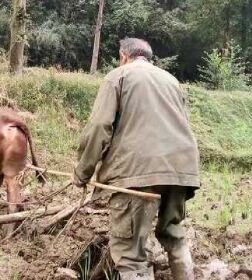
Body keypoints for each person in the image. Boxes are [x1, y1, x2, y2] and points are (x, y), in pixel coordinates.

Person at [72, 38, 200, 280]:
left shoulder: (118, 76)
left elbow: (99, 126)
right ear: (148, 57)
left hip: (136, 172)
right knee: (174, 234)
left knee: (130, 254)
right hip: (181, 169)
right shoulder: (171, 81)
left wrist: (82, 173)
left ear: (123, 56)